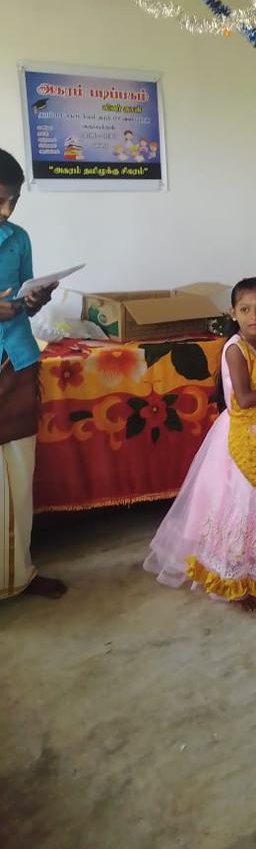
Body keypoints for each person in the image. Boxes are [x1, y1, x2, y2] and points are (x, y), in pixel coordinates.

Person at [144, 277, 256, 612]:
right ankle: (237, 582)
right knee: (242, 507)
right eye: (245, 309)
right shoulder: (234, 349)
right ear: (233, 313)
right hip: (241, 438)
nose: (254, 316)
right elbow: (243, 399)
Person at [0, 148, 65, 601]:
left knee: (20, 476)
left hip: (18, 362)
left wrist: (34, 300)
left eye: (15, 200)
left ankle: (18, 574)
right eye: (0, 199)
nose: (8, 210)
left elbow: (22, 301)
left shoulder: (18, 238)